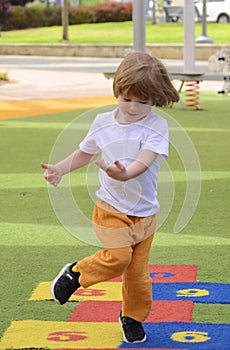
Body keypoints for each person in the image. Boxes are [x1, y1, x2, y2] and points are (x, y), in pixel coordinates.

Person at [41, 52, 179, 344]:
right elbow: (85, 153)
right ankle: (75, 275)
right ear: (117, 90)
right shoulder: (102, 122)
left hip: (145, 214)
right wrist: (60, 170)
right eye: (127, 98)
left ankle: (131, 317)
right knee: (118, 257)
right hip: (110, 207)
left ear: (155, 99)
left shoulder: (157, 126)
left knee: (138, 276)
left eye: (143, 101)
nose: (133, 107)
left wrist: (127, 173)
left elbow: (145, 159)